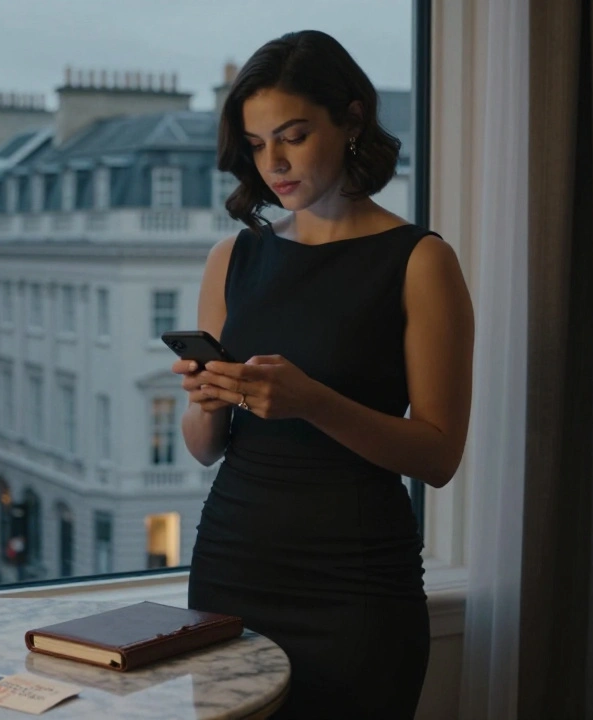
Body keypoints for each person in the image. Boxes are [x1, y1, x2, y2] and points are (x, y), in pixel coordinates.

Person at [177, 30, 474, 719]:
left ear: (352, 119)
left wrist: (312, 401)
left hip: (358, 588)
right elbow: (203, 447)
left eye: (293, 135)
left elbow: (438, 455)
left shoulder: (420, 260)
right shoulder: (234, 258)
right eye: (255, 144)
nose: (273, 162)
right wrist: (207, 400)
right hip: (233, 567)